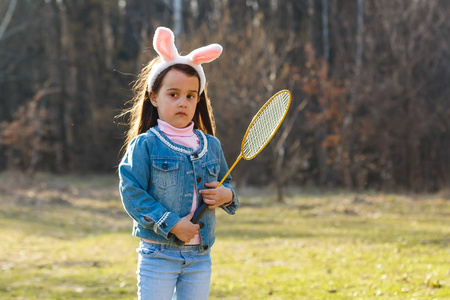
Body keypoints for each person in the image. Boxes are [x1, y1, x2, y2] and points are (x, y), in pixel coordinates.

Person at [118, 26, 239, 300]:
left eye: (190, 95)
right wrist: (172, 223)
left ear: (198, 98)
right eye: (173, 94)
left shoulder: (211, 145)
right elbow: (132, 192)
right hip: (158, 253)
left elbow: (226, 184)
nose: (182, 102)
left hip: (199, 256)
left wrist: (226, 195)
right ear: (153, 97)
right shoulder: (146, 145)